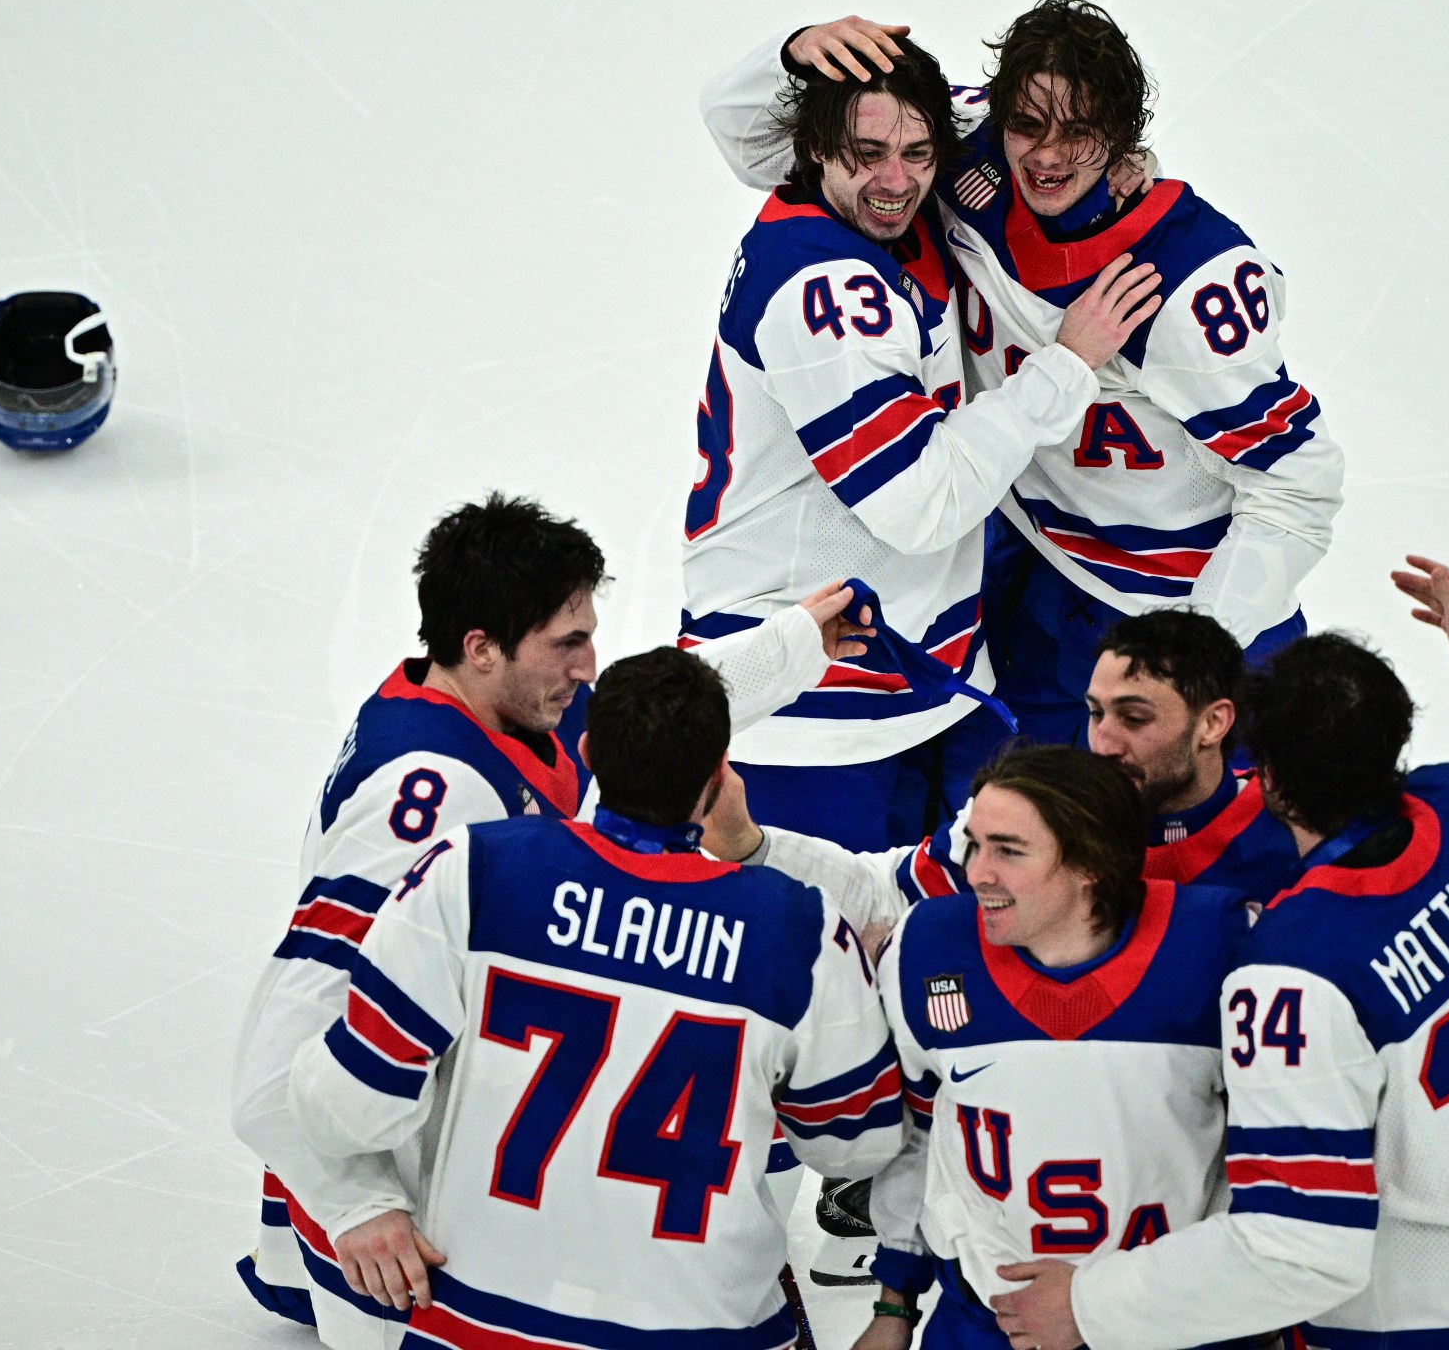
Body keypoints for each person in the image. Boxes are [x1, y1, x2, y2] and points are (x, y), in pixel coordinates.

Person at [230, 493, 863, 1339]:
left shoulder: (491, 709)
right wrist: (360, 1206)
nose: (589, 667)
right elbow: (275, 1066)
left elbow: (636, 731)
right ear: (481, 647)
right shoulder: (432, 800)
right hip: (401, 1245)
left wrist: (787, 648)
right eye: (567, 644)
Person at [989, 561, 1449, 1350]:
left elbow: (1301, 1247)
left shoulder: (1292, 971)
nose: (1102, 740)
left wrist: (1091, 1305)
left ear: (1262, 772)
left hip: (1434, 1325)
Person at [701, 0, 1345, 746]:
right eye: (1029, 126)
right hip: (1035, 577)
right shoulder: (951, 153)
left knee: (1218, 852)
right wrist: (793, 51)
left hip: (1175, 604)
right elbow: (758, 148)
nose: (1046, 155)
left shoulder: (1187, 286)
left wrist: (1198, 650)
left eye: (1081, 133)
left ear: (1123, 134)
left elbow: (1300, 487)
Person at [287, 647, 907, 1349]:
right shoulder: (799, 929)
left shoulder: (474, 870)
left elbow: (345, 1106)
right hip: (702, 1328)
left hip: (477, 1323)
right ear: (719, 778)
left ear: (586, 751)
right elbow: (858, 1144)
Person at [683, 31, 1165, 854]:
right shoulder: (823, 295)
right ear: (812, 151)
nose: (897, 180)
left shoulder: (899, 184)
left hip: (928, 684)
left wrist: (1112, 158)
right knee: (831, 965)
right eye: (867, 153)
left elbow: (1024, 129)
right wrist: (1066, 366)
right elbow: (921, 504)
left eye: (916, 151)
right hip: (810, 720)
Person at [853, 744, 1253, 1350]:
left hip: (1175, 1325)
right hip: (984, 1325)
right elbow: (919, 1130)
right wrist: (895, 1302)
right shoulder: (927, 949)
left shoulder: (1219, 946)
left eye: (1008, 851)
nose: (976, 873)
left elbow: (1278, 1148)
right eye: (975, 845)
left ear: (1092, 863)